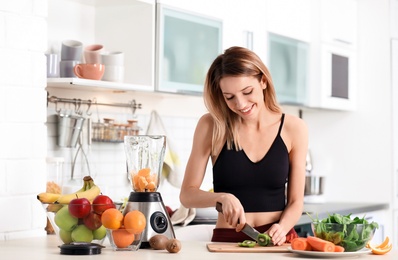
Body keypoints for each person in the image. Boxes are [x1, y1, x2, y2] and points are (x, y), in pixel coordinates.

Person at [179, 46, 308, 245]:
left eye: (247, 92)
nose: (240, 104)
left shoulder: (293, 128)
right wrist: (222, 197)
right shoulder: (211, 126)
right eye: (229, 97)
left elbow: (295, 201)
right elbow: (187, 194)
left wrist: (282, 228)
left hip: (279, 240)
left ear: (263, 81)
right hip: (227, 240)